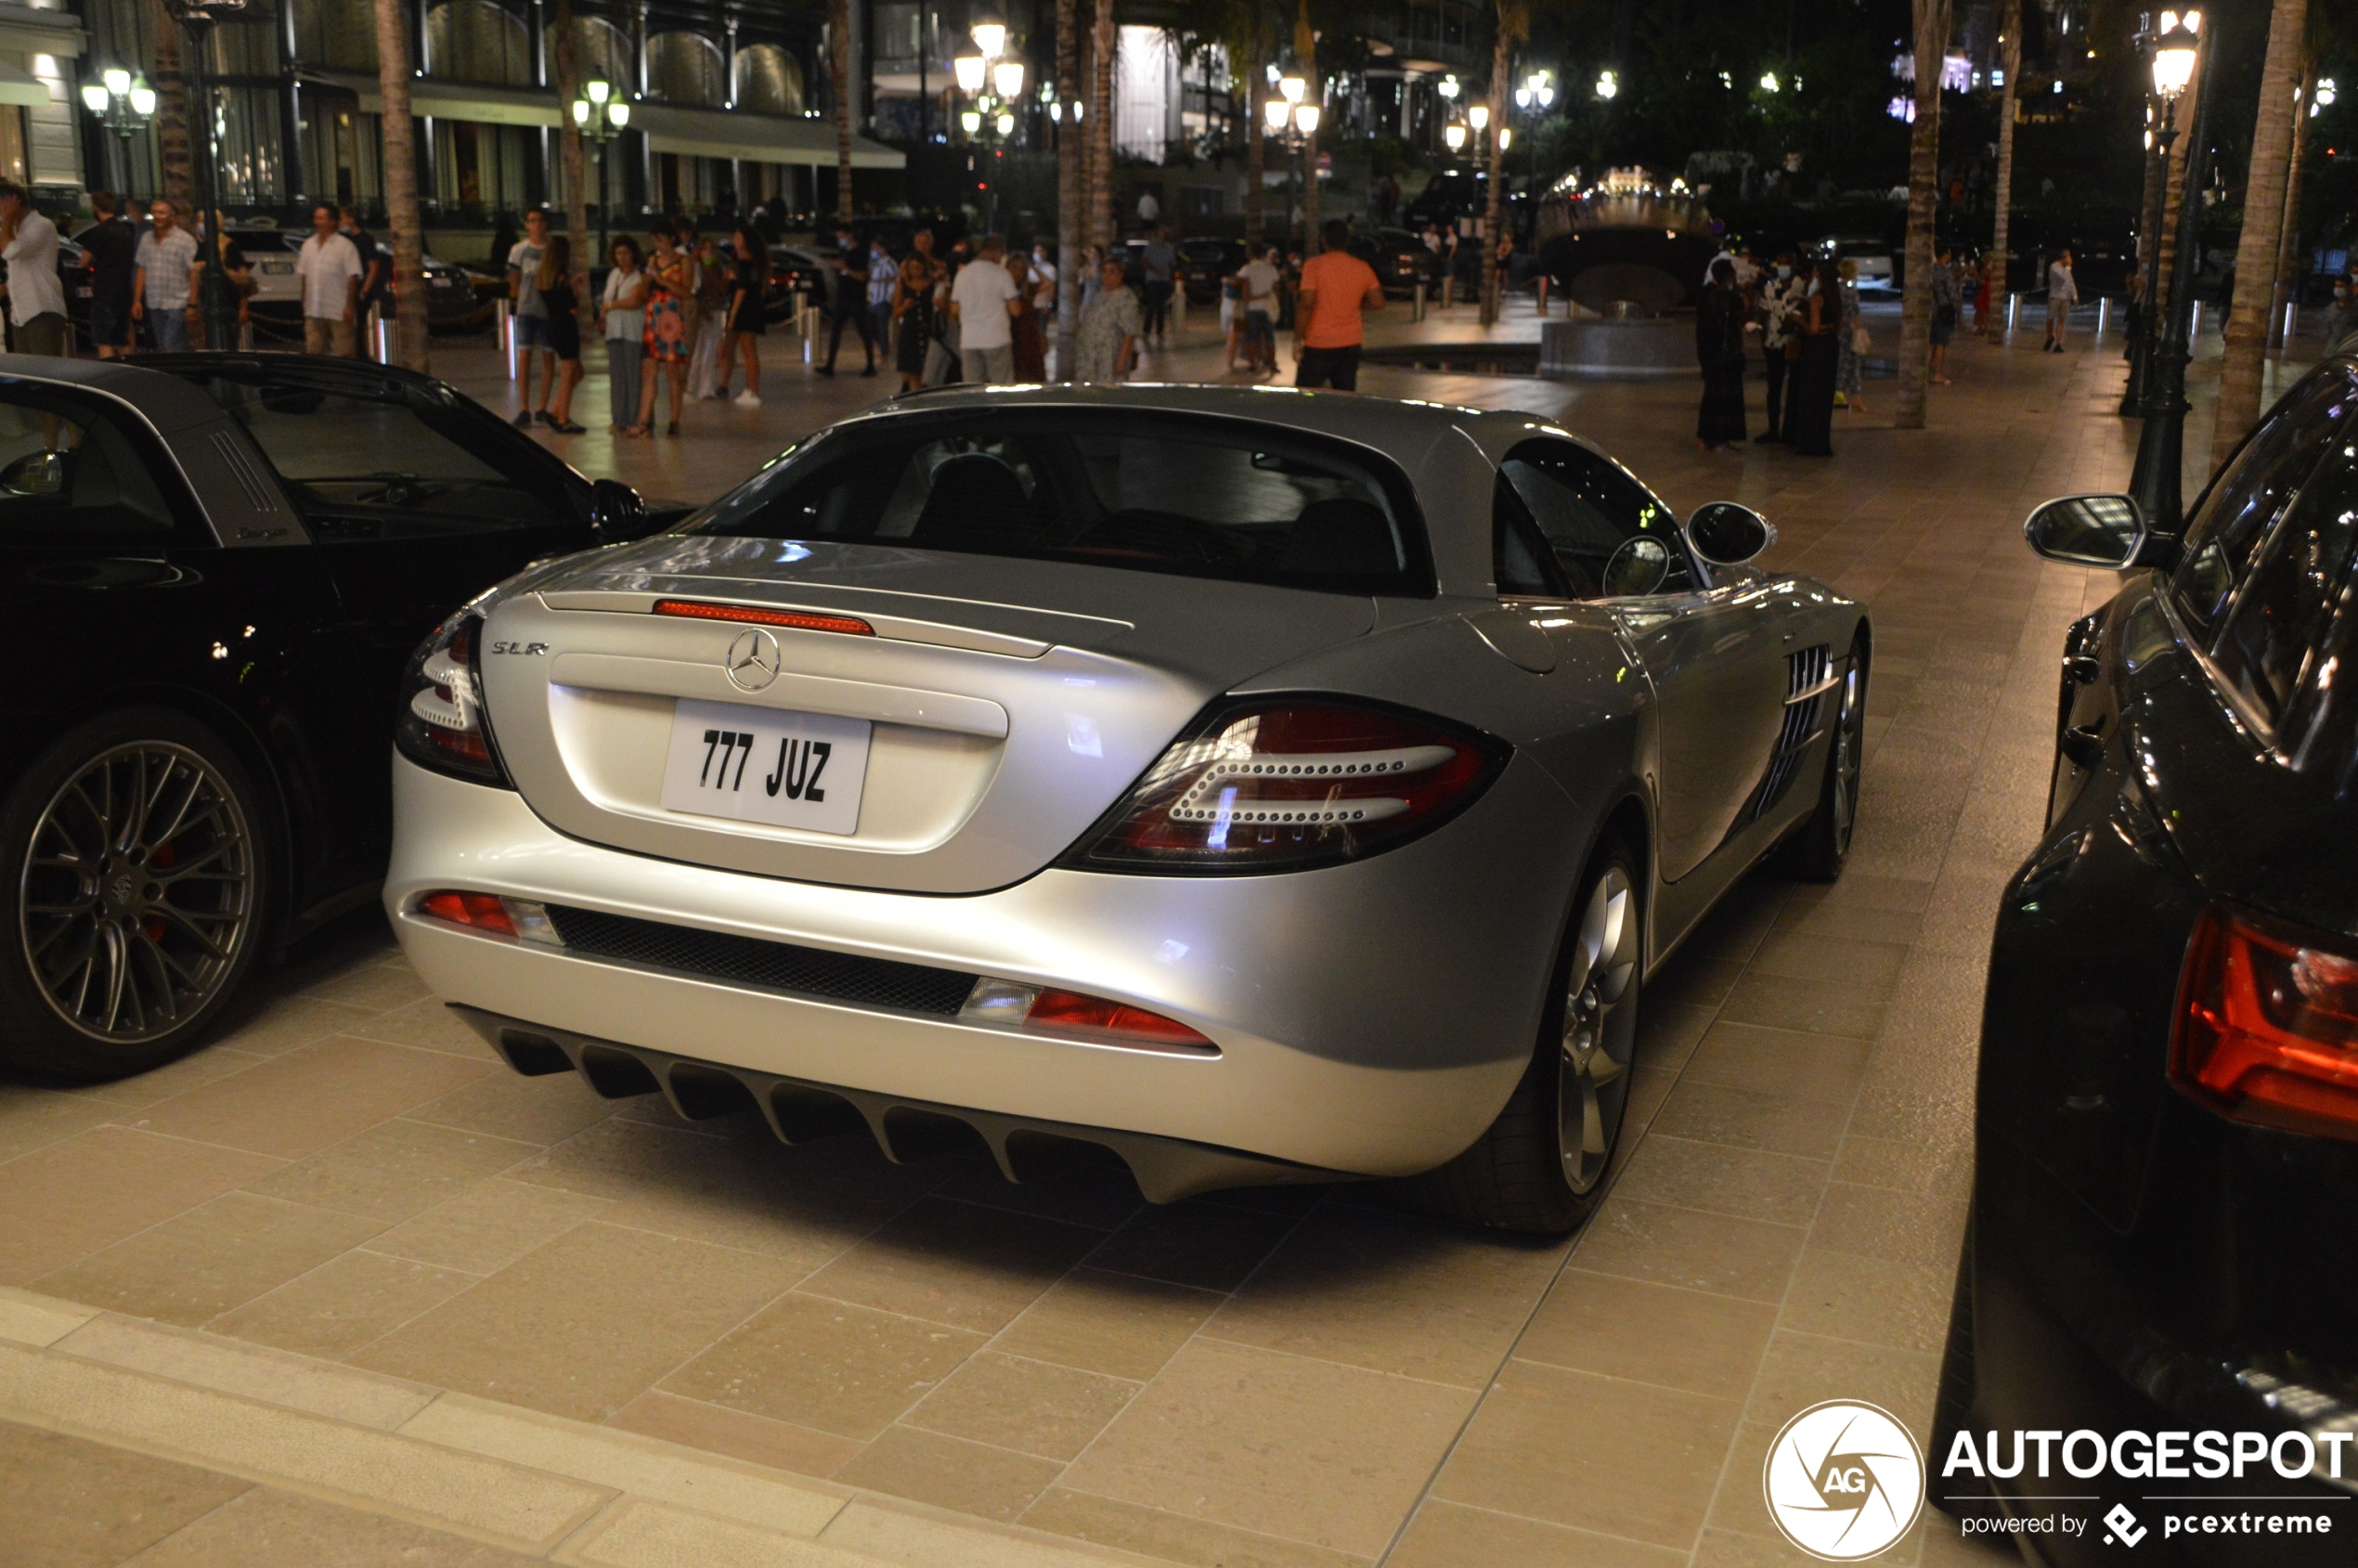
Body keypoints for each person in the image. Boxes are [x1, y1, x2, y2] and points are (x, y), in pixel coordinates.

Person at [1293, 219, 1383, 391]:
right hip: (1350, 343)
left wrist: (1297, 340)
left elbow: (1306, 304)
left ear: (1323, 241)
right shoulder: (1362, 267)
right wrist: (1357, 303)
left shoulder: (1313, 266)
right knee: (1344, 397)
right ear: (1347, 241)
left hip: (1318, 344)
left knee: (1303, 399)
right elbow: (1378, 302)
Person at [0, 183, 66, 357]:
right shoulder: (14, 230)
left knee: (46, 372)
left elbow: (10, 251)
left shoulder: (41, 225)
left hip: (41, 309)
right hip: (21, 313)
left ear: (12, 202)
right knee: (28, 376)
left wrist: (6, 221)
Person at [1784, 260, 1842, 457]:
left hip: (1816, 349)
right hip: (1831, 346)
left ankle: (1809, 443)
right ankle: (1821, 441)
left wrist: (1800, 320)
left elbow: (1813, 329)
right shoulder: (1835, 297)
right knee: (1824, 396)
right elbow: (1838, 325)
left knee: (1810, 395)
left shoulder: (1817, 298)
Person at [638, 225, 692, 435]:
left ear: (671, 239)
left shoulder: (684, 261)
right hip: (655, 314)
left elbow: (686, 291)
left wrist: (662, 281)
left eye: (660, 240)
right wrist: (647, 282)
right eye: (654, 241)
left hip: (672, 314)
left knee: (672, 371)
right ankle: (645, 420)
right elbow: (645, 290)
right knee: (650, 368)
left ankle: (674, 420)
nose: (657, 245)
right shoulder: (652, 261)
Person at [950, 233, 1020, 384]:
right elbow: (1016, 310)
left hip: (969, 340)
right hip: (997, 338)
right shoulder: (1002, 274)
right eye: (1002, 253)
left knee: (972, 388)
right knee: (1003, 387)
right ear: (997, 251)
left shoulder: (963, 274)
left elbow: (955, 309)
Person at [295, 202, 363, 357]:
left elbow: (353, 277)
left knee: (346, 353)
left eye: (321, 218)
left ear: (332, 222)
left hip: (338, 309)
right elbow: (304, 275)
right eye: (316, 218)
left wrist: (349, 306)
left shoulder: (345, 246)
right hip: (314, 309)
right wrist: (304, 300)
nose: (317, 222)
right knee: (315, 352)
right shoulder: (308, 245)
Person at [507, 208, 554, 425]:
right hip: (527, 309)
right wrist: (518, 299)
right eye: (532, 221)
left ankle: (542, 406)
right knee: (524, 356)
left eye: (540, 221)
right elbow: (514, 277)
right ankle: (524, 407)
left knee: (548, 356)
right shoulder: (519, 250)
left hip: (548, 309)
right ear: (527, 224)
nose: (536, 225)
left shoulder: (552, 249)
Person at [535, 237, 587, 434]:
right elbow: (572, 308)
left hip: (552, 325)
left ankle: (555, 410)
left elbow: (556, 297)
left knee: (577, 372)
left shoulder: (544, 277)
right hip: (566, 327)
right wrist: (576, 292)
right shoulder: (562, 278)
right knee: (568, 375)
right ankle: (562, 418)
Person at [1695, 258, 1747, 452]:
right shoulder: (1729, 297)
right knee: (1726, 397)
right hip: (1726, 355)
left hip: (1708, 352)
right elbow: (1741, 316)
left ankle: (1704, 437)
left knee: (1710, 395)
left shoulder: (1703, 294)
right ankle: (1721, 440)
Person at [78, 192, 138, 358]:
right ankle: (132, 372)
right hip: (124, 292)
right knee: (123, 340)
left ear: (96, 208)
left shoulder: (100, 232)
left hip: (105, 293)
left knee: (104, 341)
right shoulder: (126, 231)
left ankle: (110, 376)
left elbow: (84, 261)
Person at [132, 200, 198, 352]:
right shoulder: (146, 238)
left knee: (171, 345)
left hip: (177, 303)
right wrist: (137, 300)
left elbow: (193, 272)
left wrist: (192, 304)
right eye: (154, 212)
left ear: (172, 216)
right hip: (155, 301)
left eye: (161, 212)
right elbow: (142, 269)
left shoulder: (185, 240)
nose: (157, 216)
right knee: (163, 346)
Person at [600, 237, 649, 436]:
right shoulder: (613, 275)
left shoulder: (641, 276)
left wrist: (612, 306)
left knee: (634, 375)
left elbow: (635, 300)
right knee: (617, 376)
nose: (622, 257)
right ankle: (618, 418)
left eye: (626, 253)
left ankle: (638, 418)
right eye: (619, 253)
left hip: (633, 330)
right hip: (614, 330)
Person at [1753, 252, 1801, 444]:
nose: (1783, 268)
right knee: (1773, 388)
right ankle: (1773, 429)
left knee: (1794, 388)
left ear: (1793, 266)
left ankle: (1791, 430)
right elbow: (1763, 316)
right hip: (1773, 344)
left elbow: (1796, 317)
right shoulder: (1770, 287)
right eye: (1780, 264)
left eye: (1786, 264)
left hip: (1792, 344)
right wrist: (1763, 341)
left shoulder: (1799, 288)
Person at [818, 226, 876, 376]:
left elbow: (862, 276)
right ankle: (830, 365)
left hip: (856, 298)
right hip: (843, 297)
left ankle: (871, 365)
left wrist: (845, 268)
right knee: (835, 331)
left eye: (841, 236)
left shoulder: (861, 253)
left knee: (863, 331)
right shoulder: (845, 252)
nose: (840, 240)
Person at [1073, 255, 1141, 382]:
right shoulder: (1100, 294)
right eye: (1104, 271)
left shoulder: (1126, 298)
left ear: (1121, 274)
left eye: (1112, 271)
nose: (1107, 275)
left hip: (1109, 358)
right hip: (1090, 358)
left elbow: (1129, 333)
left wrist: (1122, 360)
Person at [721, 224, 766, 408]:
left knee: (748, 351)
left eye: (738, 238)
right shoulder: (754, 262)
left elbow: (742, 289)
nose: (735, 241)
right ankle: (749, 388)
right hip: (750, 308)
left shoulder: (745, 263)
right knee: (741, 349)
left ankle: (753, 389)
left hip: (744, 309)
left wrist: (733, 315)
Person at [198, 214, 253, 350]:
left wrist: (243, 307)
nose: (199, 225)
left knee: (229, 345)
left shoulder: (229, 246)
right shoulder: (204, 246)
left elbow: (243, 280)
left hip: (228, 304)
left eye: (202, 222)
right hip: (208, 305)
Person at [687, 234, 730, 398]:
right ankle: (693, 387)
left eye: (712, 249)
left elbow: (721, 290)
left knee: (709, 351)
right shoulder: (699, 268)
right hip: (703, 311)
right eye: (705, 248)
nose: (709, 252)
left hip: (714, 309)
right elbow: (712, 289)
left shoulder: (715, 267)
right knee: (699, 351)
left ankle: (704, 388)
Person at [340, 205, 386, 355]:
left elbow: (373, 267)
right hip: (346, 289)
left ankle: (361, 355)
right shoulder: (343, 240)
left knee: (359, 326)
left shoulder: (364, 239)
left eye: (341, 219)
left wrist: (364, 291)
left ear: (351, 219)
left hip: (360, 288)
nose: (339, 223)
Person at [891, 253, 936, 393]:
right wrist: (905, 307)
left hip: (928, 330)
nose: (915, 271)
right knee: (913, 372)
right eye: (912, 268)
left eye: (918, 268)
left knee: (929, 371)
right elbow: (896, 312)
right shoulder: (903, 285)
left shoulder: (933, 284)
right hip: (910, 331)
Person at [1238, 245, 1280, 374]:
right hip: (1268, 308)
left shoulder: (1247, 269)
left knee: (1251, 337)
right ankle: (1272, 364)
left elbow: (1245, 294)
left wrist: (1255, 297)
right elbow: (1277, 290)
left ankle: (1252, 364)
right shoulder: (1270, 269)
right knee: (1270, 337)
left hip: (1253, 309)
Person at [1008, 250, 1046, 382]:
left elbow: (1048, 284)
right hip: (1011, 336)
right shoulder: (1003, 288)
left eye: (1022, 269)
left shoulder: (1027, 289)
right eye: (1014, 268)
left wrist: (1032, 267)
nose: (1018, 273)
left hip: (1028, 336)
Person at [1833, 257, 1865, 413]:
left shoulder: (1837, 288)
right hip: (1849, 331)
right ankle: (1843, 396)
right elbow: (1855, 313)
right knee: (1850, 363)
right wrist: (1860, 331)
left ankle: (1852, 397)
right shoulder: (1851, 290)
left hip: (1839, 330)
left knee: (1845, 363)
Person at [1929, 244, 1961, 384]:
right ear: (1945, 255)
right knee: (1941, 342)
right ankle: (1938, 374)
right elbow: (1952, 294)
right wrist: (1958, 311)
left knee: (1931, 344)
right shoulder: (1945, 272)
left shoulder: (1930, 270)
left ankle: (1924, 372)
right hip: (1942, 310)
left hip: (1931, 309)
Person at [1140, 226, 1178, 343]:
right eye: (1160, 235)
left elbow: (1172, 262)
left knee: (1161, 306)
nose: (1162, 238)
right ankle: (1147, 329)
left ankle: (1160, 330)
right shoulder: (1151, 247)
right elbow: (1144, 261)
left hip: (1164, 280)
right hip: (1153, 280)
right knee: (1152, 305)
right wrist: (1155, 270)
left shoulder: (1169, 248)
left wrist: (1172, 266)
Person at [868, 239, 899, 358]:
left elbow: (896, 277)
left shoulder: (889, 262)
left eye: (875, 248)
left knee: (882, 327)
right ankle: (883, 347)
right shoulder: (876, 263)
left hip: (884, 299)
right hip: (873, 299)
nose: (873, 251)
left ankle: (884, 352)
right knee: (871, 327)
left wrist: (881, 281)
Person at [2044, 246, 2077, 353]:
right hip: (2055, 296)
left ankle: (2058, 343)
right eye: (2068, 256)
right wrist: (2068, 267)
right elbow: (2063, 277)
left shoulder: (2067, 269)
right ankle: (2049, 337)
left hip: (2065, 297)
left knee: (2061, 320)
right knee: (2050, 318)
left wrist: (2075, 296)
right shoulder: (2054, 267)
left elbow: (2070, 282)